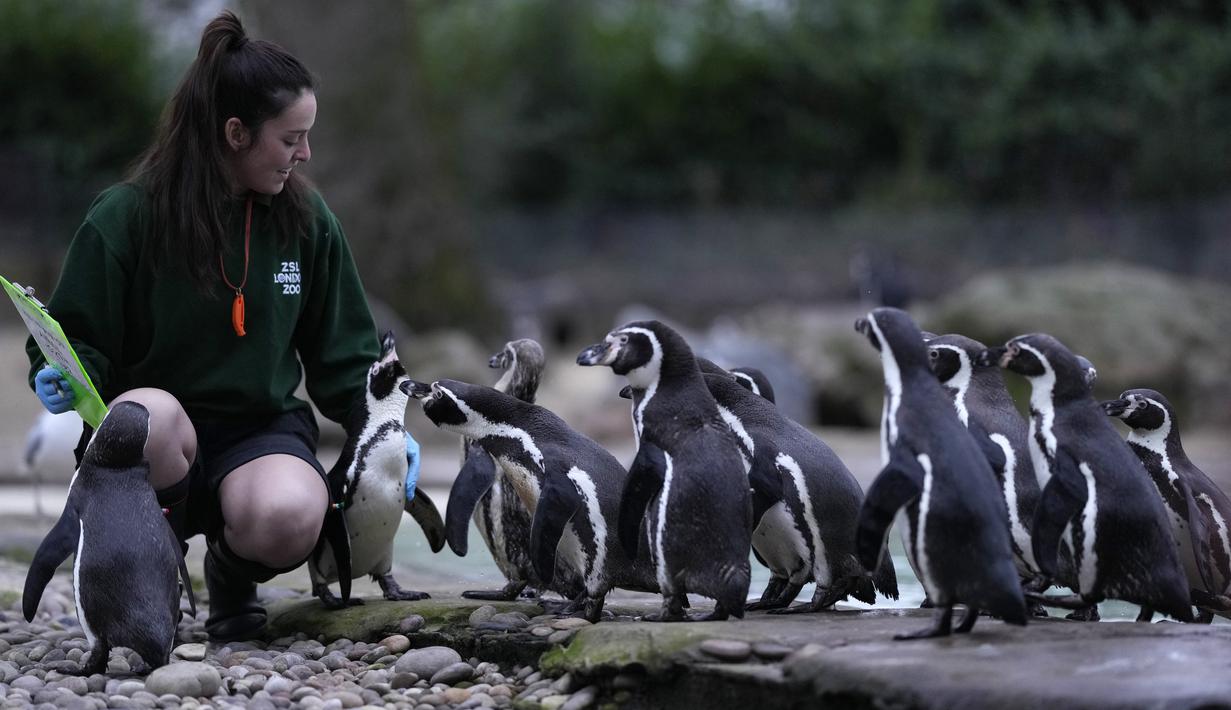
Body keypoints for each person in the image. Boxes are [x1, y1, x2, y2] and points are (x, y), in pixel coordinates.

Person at [27, 10, 420, 642]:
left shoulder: (307, 222)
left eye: (307, 136)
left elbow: (345, 358)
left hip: (257, 430)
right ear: (236, 132)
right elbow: (77, 336)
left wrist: (384, 431)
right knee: (148, 418)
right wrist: (60, 373)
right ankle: (152, 567)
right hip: (157, 436)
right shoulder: (127, 215)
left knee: (292, 515)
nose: (306, 152)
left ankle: (232, 576)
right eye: (291, 138)